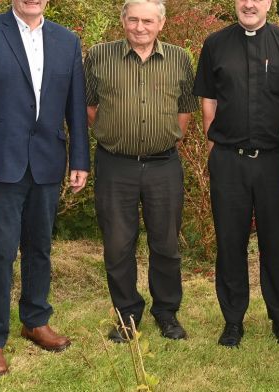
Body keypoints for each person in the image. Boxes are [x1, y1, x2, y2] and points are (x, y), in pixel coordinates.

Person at [0, 0, 90, 376]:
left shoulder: (67, 40)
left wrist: (79, 160)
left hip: (46, 162)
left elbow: (74, 105)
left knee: (40, 248)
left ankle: (35, 320)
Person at [84, 0, 198, 342]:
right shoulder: (98, 56)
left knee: (165, 243)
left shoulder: (180, 58)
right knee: (118, 245)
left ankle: (166, 313)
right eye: (132, 19)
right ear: (123, 21)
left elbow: (185, 110)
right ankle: (126, 315)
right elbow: (90, 108)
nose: (139, 27)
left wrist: (161, 141)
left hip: (164, 164)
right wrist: (119, 134)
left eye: (147, 21)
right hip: (115, 164)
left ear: (160, 24)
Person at [193, 0, 279, 348]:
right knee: (230, 241)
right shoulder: (215, 44)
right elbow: (208, 100)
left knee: (275, 241)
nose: (249, 4)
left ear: (269, 3)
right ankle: (232, 320)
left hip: (273, 162)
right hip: (228, 160)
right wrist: (214, 150)